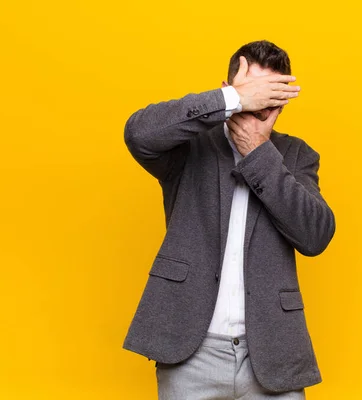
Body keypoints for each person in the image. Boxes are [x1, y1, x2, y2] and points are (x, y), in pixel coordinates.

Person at [122, 40, 336, 399]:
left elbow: (315, 235)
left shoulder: (296, 155)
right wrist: (231, 102)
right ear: (229, 91)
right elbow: (138, 134)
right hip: (190, 350)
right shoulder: (189, 146)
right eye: (252, 94)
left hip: (272, 353)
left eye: (270, 99)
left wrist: (258, 152)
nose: (259, 108)